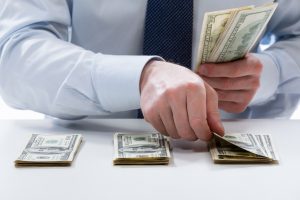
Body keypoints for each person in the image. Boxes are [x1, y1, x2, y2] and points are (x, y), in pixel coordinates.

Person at [0, 0, 299, 141]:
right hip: (90, 153)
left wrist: (269, 74)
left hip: (227, 155)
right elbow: (14, 55)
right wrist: (140, 76)